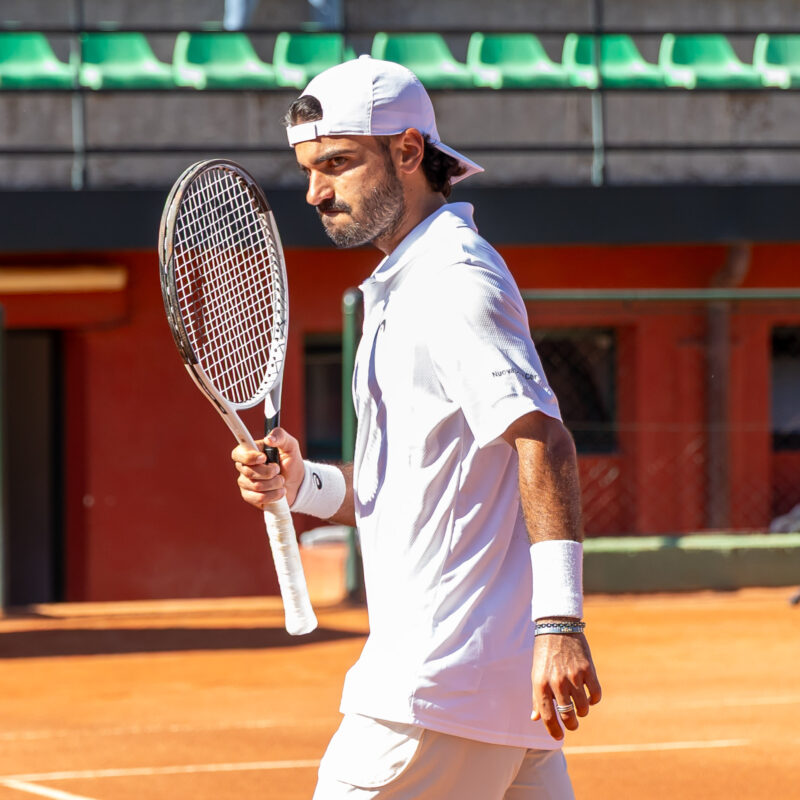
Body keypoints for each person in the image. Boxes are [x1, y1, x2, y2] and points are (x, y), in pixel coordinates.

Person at [233, 55, 602, 799]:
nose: (316, 192)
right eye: (308, 170)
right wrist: (303, 484)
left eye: (337, 163)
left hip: (432, 693)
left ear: (407, 150)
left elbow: (544, 440)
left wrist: (560, 624)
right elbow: (409, 487)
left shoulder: (452, 281)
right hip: (494, 702)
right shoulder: (407, 286)